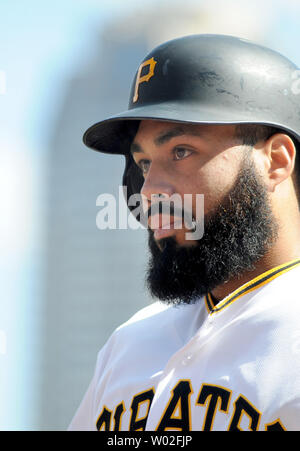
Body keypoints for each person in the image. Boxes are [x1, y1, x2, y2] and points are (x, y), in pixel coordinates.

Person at [68, 34, 300, 431]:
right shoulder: (130, 343)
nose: (149, 190)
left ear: (275, 161)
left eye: (180, 151)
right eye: (142, 163)